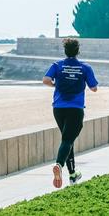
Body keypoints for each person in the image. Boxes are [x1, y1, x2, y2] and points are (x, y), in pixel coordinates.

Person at [43, 38, 98, 188]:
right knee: (67, 140)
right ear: (78, 51)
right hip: (75, 108)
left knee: (67, 140)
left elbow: (46, 80)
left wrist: (55, 84)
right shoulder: (85, 67)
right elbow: (94, 88)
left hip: (58, 109)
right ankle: (59, 165)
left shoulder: (57, 65)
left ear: (65, 51)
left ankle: (73, 175)